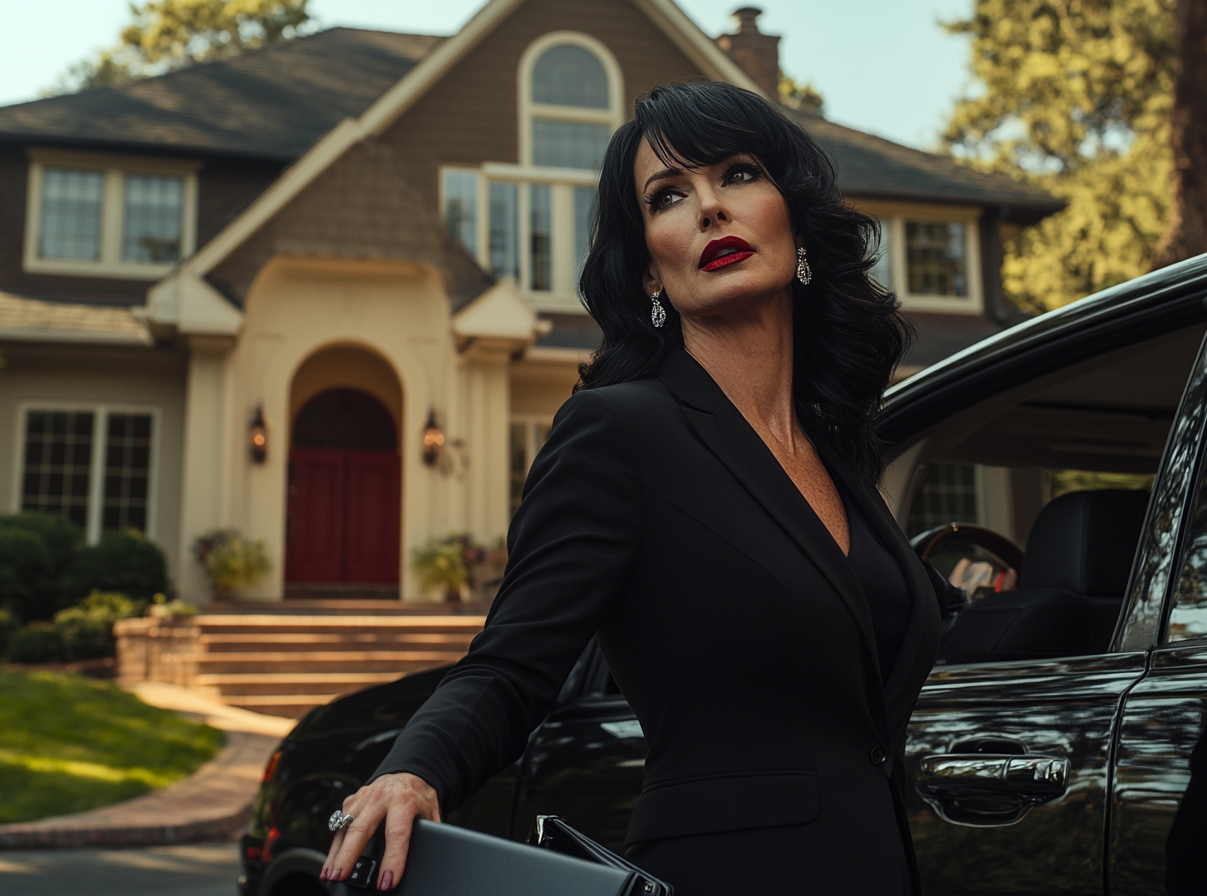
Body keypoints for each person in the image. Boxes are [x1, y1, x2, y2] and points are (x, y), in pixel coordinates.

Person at [319, 79, 942, 895]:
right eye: (670, 196)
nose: (710, 208)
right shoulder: (619, 434)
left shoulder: (835, 453)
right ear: (650, 269)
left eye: (740, 175)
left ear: (794, 217)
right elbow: (509, 665)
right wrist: (413, 770)